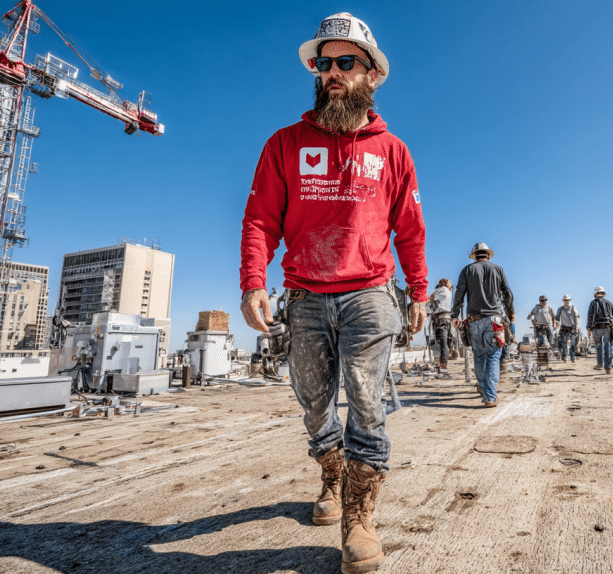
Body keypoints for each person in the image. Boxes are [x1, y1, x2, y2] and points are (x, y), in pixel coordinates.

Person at [238, 13, 426, 574]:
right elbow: (259, 219)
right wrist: (253, 280)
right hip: (305, 296)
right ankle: (330, 470)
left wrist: (418, 290)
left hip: (370, 293)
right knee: (313, 400)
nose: (333, 73)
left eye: (347, 62)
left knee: (368, 403)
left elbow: (409, 228)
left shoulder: (393, 151)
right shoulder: (285, 143)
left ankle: (359, 518)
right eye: (325, 64)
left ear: (373, 75)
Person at [451, 242, 514, 407]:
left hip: (474, 321)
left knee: (479, 356)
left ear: (475, 255)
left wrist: (454, 315)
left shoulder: (467, 270)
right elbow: (507, 292)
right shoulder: (498, 269)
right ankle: (490, 396)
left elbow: (459, 293)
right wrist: (510, 312)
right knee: (493, 356)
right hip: (495, 321)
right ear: (487, 254)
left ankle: (482, 386)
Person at [586, 286, 613, 374]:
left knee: (599, 346)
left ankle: (600, 364)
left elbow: (590, 316)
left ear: (595, 294)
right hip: (608, 327)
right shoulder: (609, 303)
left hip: (596, 328)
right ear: (603, 294)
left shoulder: (592, 303)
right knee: (608, 346)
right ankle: (608, 368)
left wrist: (588, 327)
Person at [429, 278, 453, 369]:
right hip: (443, 319)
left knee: (441, 343)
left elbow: (431, 299)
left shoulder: (442, 290)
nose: (442, 283)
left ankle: (443, 365)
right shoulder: (445, 291)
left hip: (441, 319)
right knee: (443, 342)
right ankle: (441, 363)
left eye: (444, 282)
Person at [555, 294, 581, 363]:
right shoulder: (560, 309)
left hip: (572, 328)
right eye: (565, 300)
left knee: (572, 344)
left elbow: (576, 317)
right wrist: (556, 325)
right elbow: (557, 318)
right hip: (564, 328)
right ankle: (564, 356)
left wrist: (577, 325)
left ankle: (573, 357)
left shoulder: (572, 308)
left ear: (569, 300)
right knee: (564, 343)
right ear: (563, 301)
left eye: (567, 300)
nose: (566, 301)